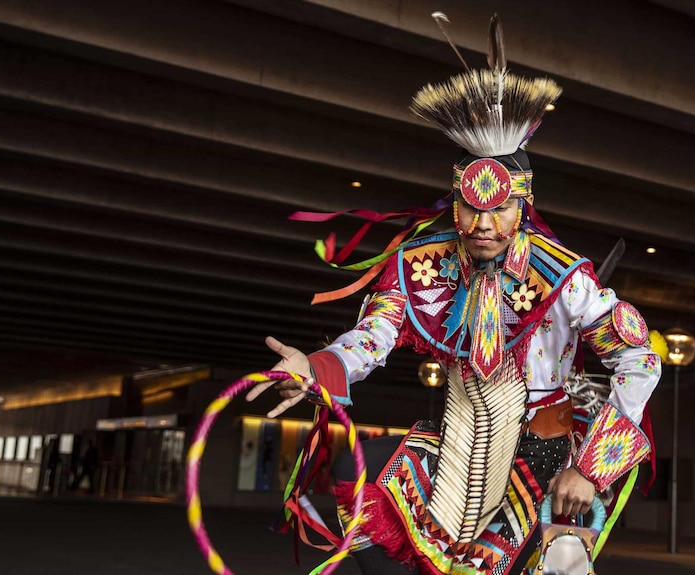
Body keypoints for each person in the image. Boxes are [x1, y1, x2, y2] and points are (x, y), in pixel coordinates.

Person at [247, 13, 662, 575]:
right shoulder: (421, 265)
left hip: (547, 455)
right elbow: (373, 337)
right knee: (369, 517)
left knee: (562, 564)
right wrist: (318, 366)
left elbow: (639, 358)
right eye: (472, 207)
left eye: (500, 208)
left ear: (522, 204)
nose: (485, 223)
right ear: (455, 200)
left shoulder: (566, 278)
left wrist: (590, 469)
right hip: (454, 452)